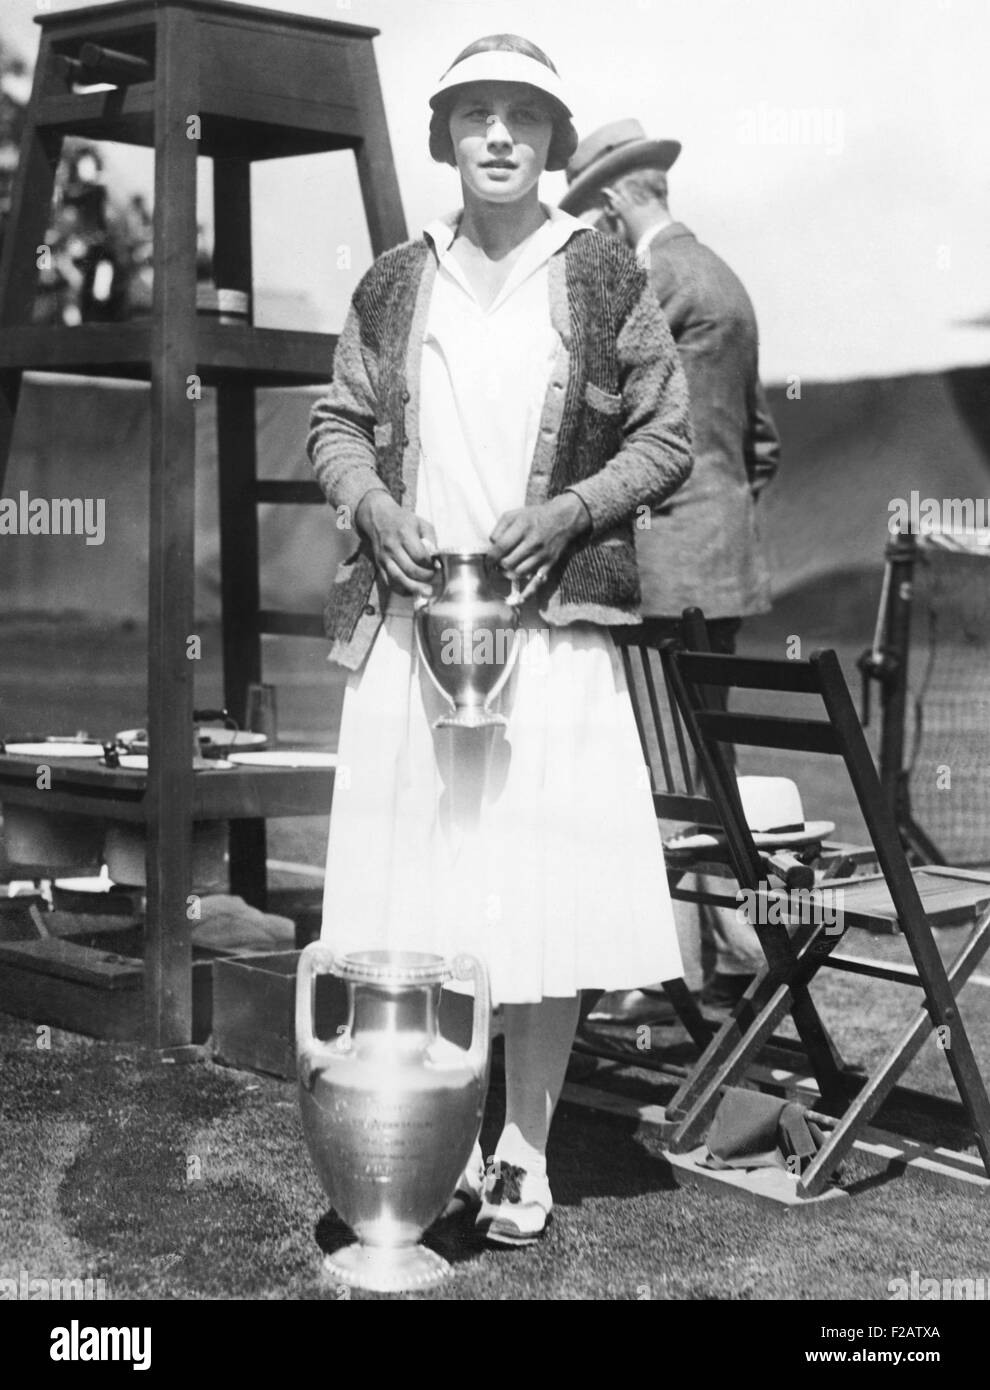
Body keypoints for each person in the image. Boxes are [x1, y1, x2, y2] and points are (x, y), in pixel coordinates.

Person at [307, 38, 693, 1244]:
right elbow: (338, 422)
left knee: (545, 893)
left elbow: (667, 436)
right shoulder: (390, 283)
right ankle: (438, 1132)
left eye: (523, 117)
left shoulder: (602, 277)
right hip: (414, 638)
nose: (498, 136)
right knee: (422, 891)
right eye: (474, 114)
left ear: (552, 142)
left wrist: (570, 511)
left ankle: (524, 1144)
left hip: (551, 635)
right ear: (443, 138)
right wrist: (373, 507)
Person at [559, 120, 781, 1021]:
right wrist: (716, 528)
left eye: (592, 213)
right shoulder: (725, 277)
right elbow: (757, 445)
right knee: (710, 768)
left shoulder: (653, 282)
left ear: (616, 201)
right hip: (722, 566)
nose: (594, 233)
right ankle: (734, 952)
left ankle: (667, 982)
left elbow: (627, 437)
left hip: (661, 566)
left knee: (659, 772)